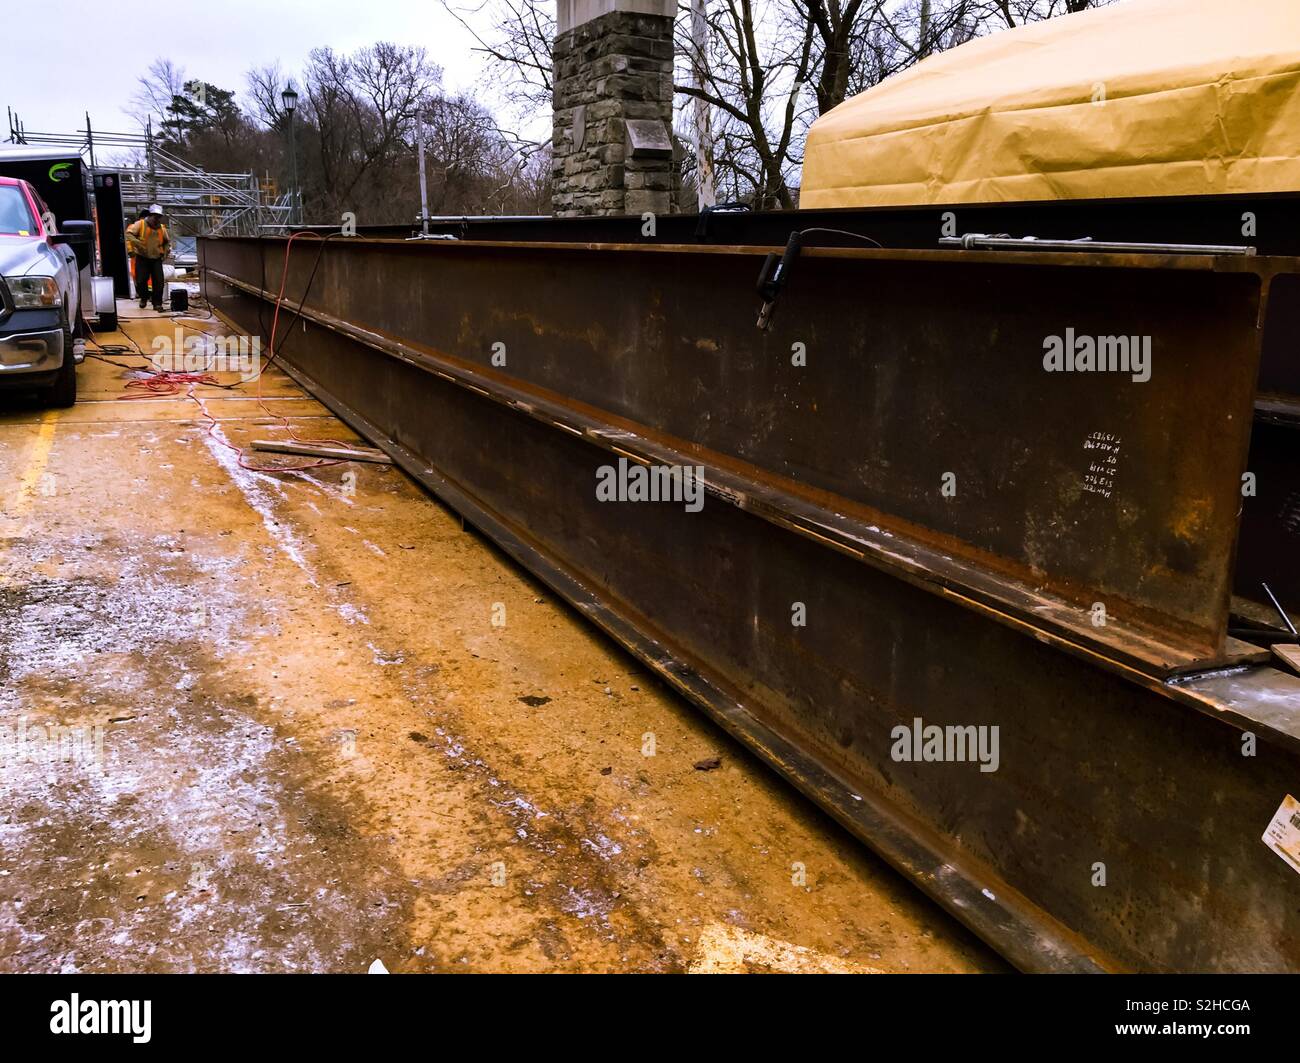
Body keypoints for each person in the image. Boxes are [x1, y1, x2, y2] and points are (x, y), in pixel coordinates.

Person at [125, 204, 171, 311]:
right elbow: (129, 234)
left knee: (159, 282)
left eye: (158, 217)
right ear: (150, 216)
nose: (156, 219)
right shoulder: (140, 224)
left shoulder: (161, 228)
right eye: (155, 216)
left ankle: (157, 304)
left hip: (156, 259)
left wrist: (165, 252)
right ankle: (143, 298)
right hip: (142, 258)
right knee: (141, 280)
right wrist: (138, 244)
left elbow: (166, 241)